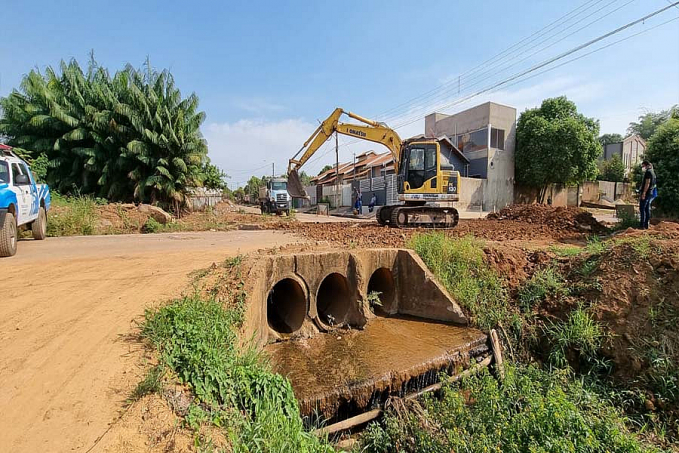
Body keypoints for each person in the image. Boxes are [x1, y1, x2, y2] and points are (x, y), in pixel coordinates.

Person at [639, 160, 657, 229]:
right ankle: (646, 225)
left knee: (642, 208)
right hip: (650, 192)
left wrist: (644, 193)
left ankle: (642, 225)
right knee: (647, 209)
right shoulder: (653, 172)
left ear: (645, 165)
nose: (643, 168)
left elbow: (647, 183)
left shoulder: (648, 172)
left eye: (643, 166)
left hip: (646, 193)